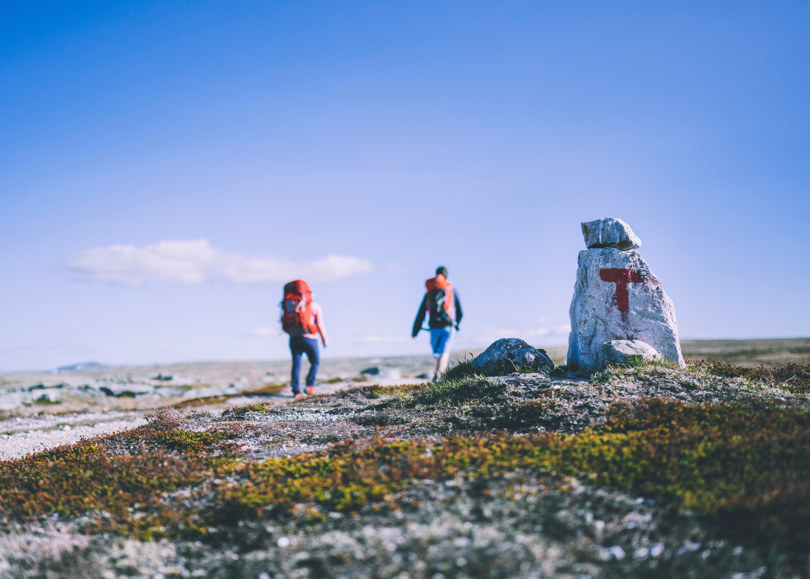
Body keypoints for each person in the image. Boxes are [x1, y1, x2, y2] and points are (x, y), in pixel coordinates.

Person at [411, 266, 463, 381]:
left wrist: (415, 330)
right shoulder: (451, 291)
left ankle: (438, 374)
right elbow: (460, 311)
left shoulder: (429, 292)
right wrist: (457, 324)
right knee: (444, 353)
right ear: (446, 276)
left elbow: (421, 313)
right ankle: (439, 375)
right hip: (448, 327)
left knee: (438, 353)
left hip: (434, 328)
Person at [280, 280, 328, 399]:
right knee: (315, 361)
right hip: (309, 339)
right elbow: (320, 324)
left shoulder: (290, 305)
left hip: (293, 338)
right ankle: (309, 385)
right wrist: (324, 340)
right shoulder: (314, 306)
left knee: (296, 364)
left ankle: (296, 392)